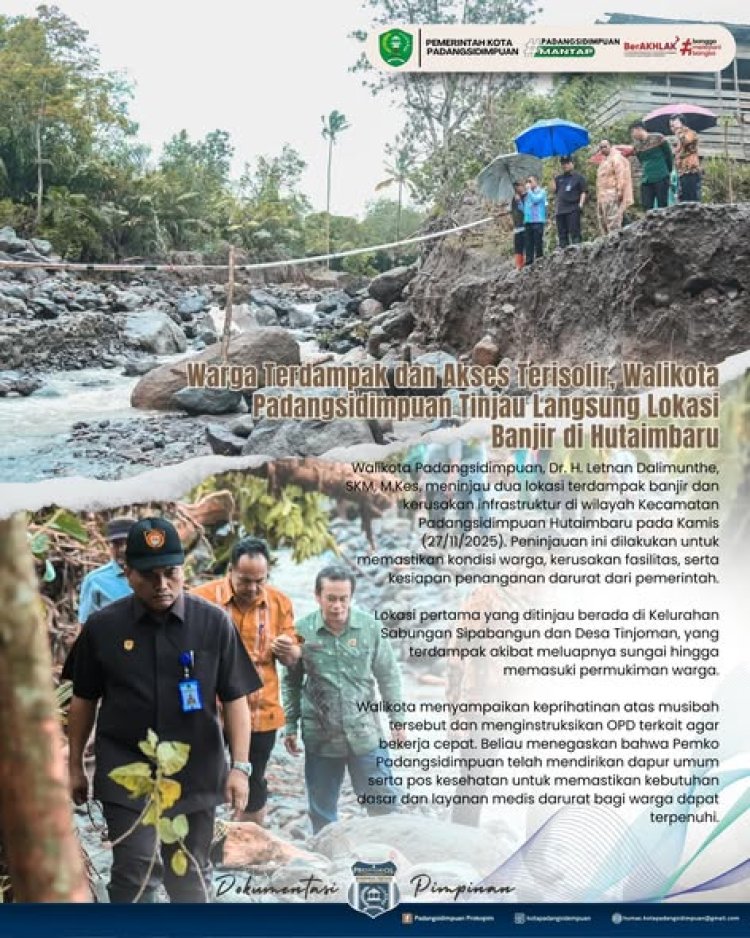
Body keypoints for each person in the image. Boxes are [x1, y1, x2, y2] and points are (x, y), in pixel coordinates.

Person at [66, 517, 262, 903]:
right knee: (134, 869)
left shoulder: (214, 624)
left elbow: (235, 698)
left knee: (189, 873)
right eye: (149, 575)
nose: (162, 585)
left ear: (183, 569)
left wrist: (241, 768)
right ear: (128, 574)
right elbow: (83, 699)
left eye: (171, 572)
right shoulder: (102, 628)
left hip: (196, 771)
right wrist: (74, 765)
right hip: (127, 771)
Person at [282, 564, 404, 833]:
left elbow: (389, 676)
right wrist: (290, 725)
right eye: (331, 599)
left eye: (343, 599)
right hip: (321, 736)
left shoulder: (370, 628)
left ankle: (388, 852)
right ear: (317, 596)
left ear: (351, 597)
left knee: (384, 806)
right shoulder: (301, 631)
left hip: (365, 733)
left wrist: (398, 720)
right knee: (322, 813)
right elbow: (290, 682)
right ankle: (326, 854)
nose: (337, 606)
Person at [191, 536, 299, 826]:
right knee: (203, 777)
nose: (252, 588)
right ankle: (201, 838)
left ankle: (246, 839)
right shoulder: (199, 599)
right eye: (245, 581)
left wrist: (290, 651)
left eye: (259, 581)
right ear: (230, 571)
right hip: (209, 712)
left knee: (253, 779)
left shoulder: (280, 603)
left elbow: (293, 658)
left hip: (260, 712)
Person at [77, 517, 136, 624]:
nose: (122, 549)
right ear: (110, 546)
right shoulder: (95, 580)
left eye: (128, 543)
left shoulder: (153, 575)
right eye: (116, 544)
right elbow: (85, 625)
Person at [629, 120, 673, 209]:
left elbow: (669, 156)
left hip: (661, 176)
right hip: (646, 179)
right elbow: (641, 161)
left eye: (633, 132)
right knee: (646, 206)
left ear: (639, 129)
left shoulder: (659, 138)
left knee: (662, 206)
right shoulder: (637, 146)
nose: (632, 135)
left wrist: (667, 172)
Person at [595, 140, 634, 233]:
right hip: (602, 195)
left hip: (612, 193)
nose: (603, 149)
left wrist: (620, 191)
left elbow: (621, 175)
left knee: (613, 220)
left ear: (610, 146)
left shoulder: (616, 158)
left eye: (605, 146)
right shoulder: (603, 161)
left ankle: (615, 238)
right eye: (601, 147)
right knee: (603, 220)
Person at [552, 155, 587, 247]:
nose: (565, 165)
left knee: (575, 233)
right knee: (562, 235)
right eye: (563, 163)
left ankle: (578, 251)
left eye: (567, 163)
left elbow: (583, 192)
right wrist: (553, 178)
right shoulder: (558, 178)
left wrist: (581, 204)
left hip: (573, 208)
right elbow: (554, 191)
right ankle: (564, 252)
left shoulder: (578, 177)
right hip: (560, 210)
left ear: (572, 164)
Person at [669, 114, 701, 203]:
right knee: (682, 199)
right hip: (681, 172)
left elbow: (686, 141)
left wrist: (679, 131)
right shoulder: (678, 138)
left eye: (674, 124)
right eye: (671, 126)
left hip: (690, 170)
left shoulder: (690, 133)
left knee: (692, 199)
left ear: (682, 123)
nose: (673, 128)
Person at [523, 174, 547, 265]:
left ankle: (539, 260)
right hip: (528, 221)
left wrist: (529, 191)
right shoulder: (527, 194)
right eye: (527, 182)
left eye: (530, 181)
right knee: (528, 243)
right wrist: (519, 202)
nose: (528, 183)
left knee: (538, 242)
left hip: (538, 221)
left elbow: (536, 200)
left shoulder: (541, 191)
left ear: (536, 182)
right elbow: (525, 208)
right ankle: (529, 261)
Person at [511, 179, 527, 269]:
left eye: (518, 186)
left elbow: (527, 211)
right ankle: (518, 265)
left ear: (523, 186)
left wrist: (519, 201)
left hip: (525, 226)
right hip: (517, 227)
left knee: (526, 245)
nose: (517, 188)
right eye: (515, 187)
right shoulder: (514, 199)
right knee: (518, 247)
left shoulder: (527, 197)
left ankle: (527, 263)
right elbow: (513, 211)